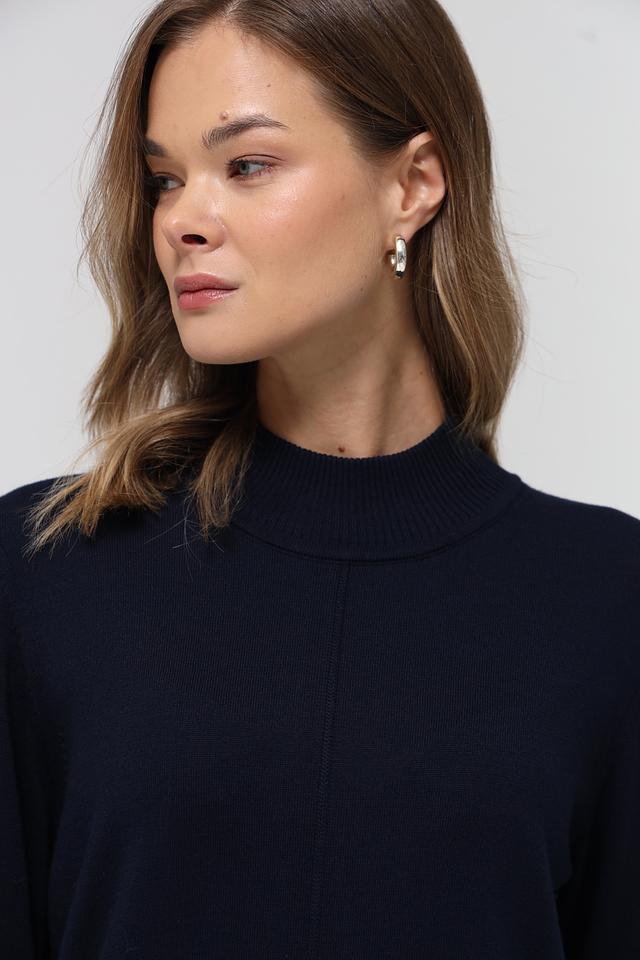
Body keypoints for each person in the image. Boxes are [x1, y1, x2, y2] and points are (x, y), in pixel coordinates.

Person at [1, 1, 638, 957]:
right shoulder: (44, 571)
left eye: (247, 165)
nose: (181, 221)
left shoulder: (610, 596)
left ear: (413, 185)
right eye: (165, 179)